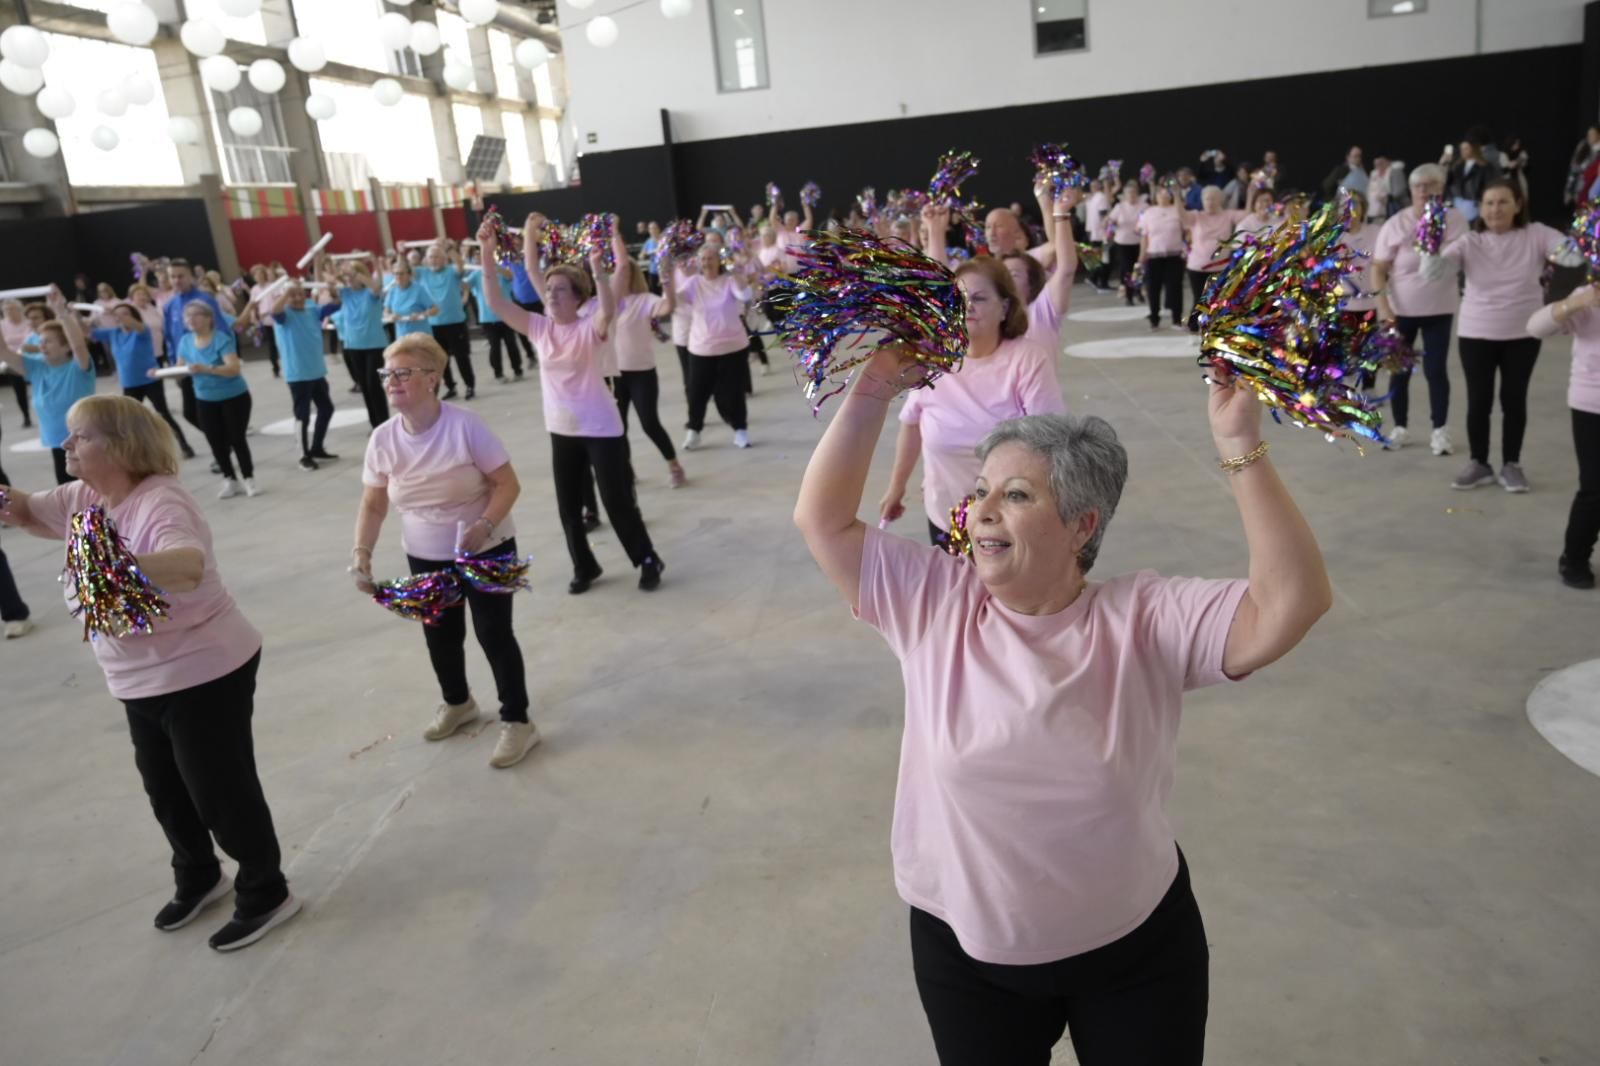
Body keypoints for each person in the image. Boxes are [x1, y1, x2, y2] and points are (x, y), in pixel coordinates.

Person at [794, 343, 1332, 1065]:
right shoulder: (935, 601)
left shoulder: (1143, 618)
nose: (982, 511)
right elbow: (822, 520)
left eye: (1017, 495)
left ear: (1082, 526)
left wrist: (1241, 448)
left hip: (1135, 952)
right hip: (967, 956)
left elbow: (1290, 604)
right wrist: (870, 394)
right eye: (981, 490)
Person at [0, 396, 300, 950]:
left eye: (79, 437)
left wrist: (111, 564)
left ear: (118, 445)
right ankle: (200, 876)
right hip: (136, 677)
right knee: (166, 790)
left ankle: (267, 891)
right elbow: (19, 509)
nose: (66, 445)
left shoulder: (161, 502)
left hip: (203, 668)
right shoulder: (83, 496)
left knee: (219, 791)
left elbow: (187, 565)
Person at [350, 333, 540, 767]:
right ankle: (458, 702)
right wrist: (362, 550)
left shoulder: (465, 426)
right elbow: (373, 502)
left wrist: (485, 525)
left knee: (494, 635)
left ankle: (519, 721)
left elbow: (508, 484)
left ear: (432, 378)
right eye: (387, 373)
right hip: (424, 552)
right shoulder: (382, 439)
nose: (392, 381)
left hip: (487, 548)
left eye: (404, 372)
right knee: (440, 636)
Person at [481, 218, 666, 594]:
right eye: (548, 289)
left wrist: (599, 269)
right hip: (561, 428)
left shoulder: (589, 326)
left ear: (578, 298)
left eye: (560, 290)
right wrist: (487, 251)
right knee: (569, 508)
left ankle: (647, 558)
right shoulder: (539, 328)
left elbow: (608, 310)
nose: (550, 295)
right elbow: (497, 302)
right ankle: (585, 565)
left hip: (601, 427)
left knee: (617, 502)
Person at [879, 245, 1066, 546]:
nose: (968, 307)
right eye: (960, 300)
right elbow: (911, 424)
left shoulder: (1028, 359)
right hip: (945, 517)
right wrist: (896, 487)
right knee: (955, 593)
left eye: (979, 298)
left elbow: (1053, 440)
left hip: (1011, 524)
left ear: (1004, 308)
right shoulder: (935, 361)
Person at [1422, 180, 1574, 492]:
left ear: (1518, 204)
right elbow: (1432, 273)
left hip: (1523, 331)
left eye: (1503, 202)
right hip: (1477, 332)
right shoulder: (1470, 241)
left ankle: (1511, 464)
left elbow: (1572, 257)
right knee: (1479, 400)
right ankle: (1480, 463)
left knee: (1513, 400)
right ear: (1480, 208)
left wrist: (1586, 233)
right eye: (1489, 203)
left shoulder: (1537, 234)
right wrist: (1429, 239)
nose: (1496, 209)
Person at [1372, 163, 1467, 455]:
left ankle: (1440, 431)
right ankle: (1399, 427)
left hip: (1440, 308)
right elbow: (1378, 268)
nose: (1424, 191)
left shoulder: (1455, 220)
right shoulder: (1396, 224)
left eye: (1430, 185)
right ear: (1410, 191)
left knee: (1436, 370)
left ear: (1441, 189)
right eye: (1418, 186)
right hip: (1402, 311)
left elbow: (1461, 258)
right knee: (1398, 371)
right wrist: (1384, 308)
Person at [1528, 282, 1600, 589]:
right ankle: (1574, 557)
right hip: (1592, 405)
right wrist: (1574, 304)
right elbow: (1535, 327)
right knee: (1595, 488)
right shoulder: (1589, 295)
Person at [608, 227, 688, 489]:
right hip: (614, 375)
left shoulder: (644, 300)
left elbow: (668, 306)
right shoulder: (605, 305)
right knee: (617, 428)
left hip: (642, 372)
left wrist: (668, 282)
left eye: (625, 273)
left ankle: (674, 464)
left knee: (649, 423)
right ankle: (625, 470)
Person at [3, 287, 95, 484]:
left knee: (90, 496)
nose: (41, 345)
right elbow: (3, 351)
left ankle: (93, 517)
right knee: (68, 495)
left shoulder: (78, 366)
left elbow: (78, 344)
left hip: (87, 443)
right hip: (58, 444)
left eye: (48, 342)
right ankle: (77, 517)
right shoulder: (35, 366)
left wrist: (61, 312)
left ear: (65, 345)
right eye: (41, 341)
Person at [679, 240, 758, 451]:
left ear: (719, 260)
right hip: (701, 348)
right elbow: (676, 300)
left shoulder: (730, 280)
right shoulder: (693, 282)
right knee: (697, 393)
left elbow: (745, 295)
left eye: (711, 258)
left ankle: (740, 430)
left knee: (733, 393)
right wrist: (669, 275)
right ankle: (694, 430)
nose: (707, 262)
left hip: (733, 347)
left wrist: (738, 273)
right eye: (703, 258)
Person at [92, 302, 195, 459]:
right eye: (118, 315)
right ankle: (138, 454)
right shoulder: (114, 332)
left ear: (133, 315)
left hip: (150, 380)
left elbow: (138, 326)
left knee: (162, 414)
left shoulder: (142, 330)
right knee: (129, 421)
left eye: (126, 313)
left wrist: (119, 314)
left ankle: (184, 446)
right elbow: (87, 333)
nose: (120, 317)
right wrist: (74, 314)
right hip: (129, 384)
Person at [176, 300, 256, 499]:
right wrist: (160, 373)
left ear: (208, 318)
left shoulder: (221, 339)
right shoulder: (185, 341)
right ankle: (230, 479)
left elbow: (234, 368)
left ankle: (248, 478)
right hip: (205, 398)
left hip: (234, 396)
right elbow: (180, 370)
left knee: (237, 439)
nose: (191, 319)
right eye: (188, 316)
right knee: (215, 441)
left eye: (196, 315)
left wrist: (206, 368)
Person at [268, 281, 340, 472]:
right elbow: (273, 311)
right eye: (293, 295)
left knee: (326, 409)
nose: (298, 298)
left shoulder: (312, 309)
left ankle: (317, 447)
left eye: (300, 294)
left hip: (316, 371)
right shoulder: (284, 315)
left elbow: (336, 304)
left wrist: (331, 287)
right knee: (303, 415)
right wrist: (286, 293)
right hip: (298, 374)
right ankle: (303, 455)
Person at [1001, 183, 1081, 354]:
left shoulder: (1041, 310)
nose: (1006, 279)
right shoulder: (995, 316)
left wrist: (1057, 211)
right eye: (1004, 274)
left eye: (1014, 275)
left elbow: (1066, 266)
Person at [333, 257, 391, 430]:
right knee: (364, 386)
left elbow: (375, 286)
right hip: (353, 346)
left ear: (361, 275)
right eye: (348, 277)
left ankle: (383, 423)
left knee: (374, 385)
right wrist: (318, 258)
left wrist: (355, 272)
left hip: (374, 345)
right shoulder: (345, 293)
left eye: (353, 276)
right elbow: (325, 280)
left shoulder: (371, 294)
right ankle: (375, 425)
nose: (349, 279)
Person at [416, 241, 474, 400]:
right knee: (440, 360)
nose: (433, 260)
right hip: (433, 325)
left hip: (455, 323)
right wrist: (400, 253)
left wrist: (448, 248)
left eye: (436, 256)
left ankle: (469, 385)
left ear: (444, 259)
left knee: (462, 357)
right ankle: (451, 387)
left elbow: (460, 265)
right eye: (430, 257)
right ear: (426, 260)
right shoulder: (423, 273)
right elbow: (404, 270)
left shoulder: (451, 271)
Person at [1185, 186, 1245, 331]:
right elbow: (1181, 215)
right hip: (1197, 266)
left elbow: (1248, 214)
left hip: (1220, 267)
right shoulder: (1196, 216)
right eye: (1207, 199)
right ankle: (1194, 326)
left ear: (1220, 200)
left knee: (1218, 299)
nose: (1209, 202)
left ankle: (1213, 327)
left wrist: (1251, 192)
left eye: (1213, 199)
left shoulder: (1228, 215)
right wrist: (1175, 194)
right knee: (1199, 298)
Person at [1137, 182, 1190, 331]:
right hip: (1154, 256)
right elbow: (1144, 236)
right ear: (1155, 195)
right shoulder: (1148, 212)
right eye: (1160, 193)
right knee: (1153, 288)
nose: (1163, 196)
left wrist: (1188, 249)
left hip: (1174, 255)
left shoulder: (1177, 211)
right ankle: (1154, 319)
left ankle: (1176, 320)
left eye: (1166, 193)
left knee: (1175, 288)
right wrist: (1142, 256)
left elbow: (1188, 232)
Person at [466, 256, 525, 383]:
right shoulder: (476, 274)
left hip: (506, 316)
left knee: (511, 344)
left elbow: (510, 276)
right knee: (494, 347)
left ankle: (517, 369)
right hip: (487, 318)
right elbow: (464, 285)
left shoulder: (501, 272)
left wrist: (495, 267)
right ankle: (498, 374)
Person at [1105, 183, 1145, 306]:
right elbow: (1109, 221)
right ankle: (1129, 296)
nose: (1132, 195)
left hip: (1139, 242)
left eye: (1134, 192)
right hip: (1122, 242)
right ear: (1125, 195)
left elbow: (1147, 222)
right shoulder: (1120, 207)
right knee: (1127, 269)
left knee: (1138, 268)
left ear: (1137, 194)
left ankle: (1138, 290)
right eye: (1129, 193)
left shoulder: (1144, 206)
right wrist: (1110, 226)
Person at [1443, 140, 1499, 222]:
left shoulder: (1485, 167)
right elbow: (1448, 182)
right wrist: (1445, 163)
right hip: (1457, 203)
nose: (1463, 151)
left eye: (1466, 148)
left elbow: (1489, 186)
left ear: (1474, 149)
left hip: (1475, 204)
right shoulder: (1457, 166)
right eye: (1461, 148)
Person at [1, 298, 34, 429]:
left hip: (31, 359)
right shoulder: (2, 324)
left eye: (12, 308)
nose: (9, 311)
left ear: (19, 309)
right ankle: (26, 416)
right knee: (19, 391)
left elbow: (29, 340)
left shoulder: (28, 322)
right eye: (6, 309)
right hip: (12, 362)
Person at [1366, 157, 1406, 222]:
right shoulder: (1374, 174)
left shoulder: (1395, 171)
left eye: (1381, 163)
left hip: (1392, 207)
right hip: (1375, 210)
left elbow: (1399, 191)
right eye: (1376, 164)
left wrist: (1388, 198)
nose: (1378, 166)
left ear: (1388, 162)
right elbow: (1370, 191)